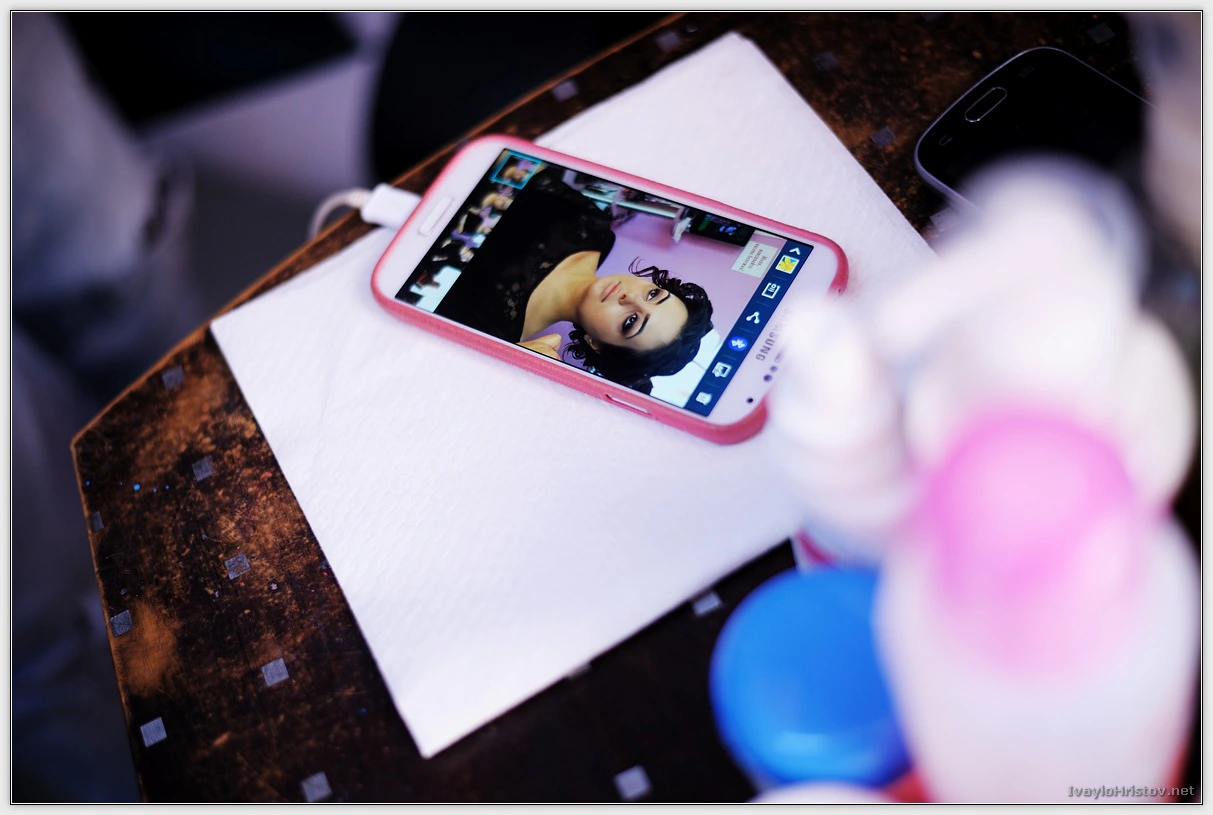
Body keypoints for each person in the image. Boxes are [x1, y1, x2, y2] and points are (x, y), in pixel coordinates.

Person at [426, 168, 714, 394]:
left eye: (631, 321)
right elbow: (515, 170)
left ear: (597, 345)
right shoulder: (595, 228)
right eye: (653, 295)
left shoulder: (494, 335)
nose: (631, 298)